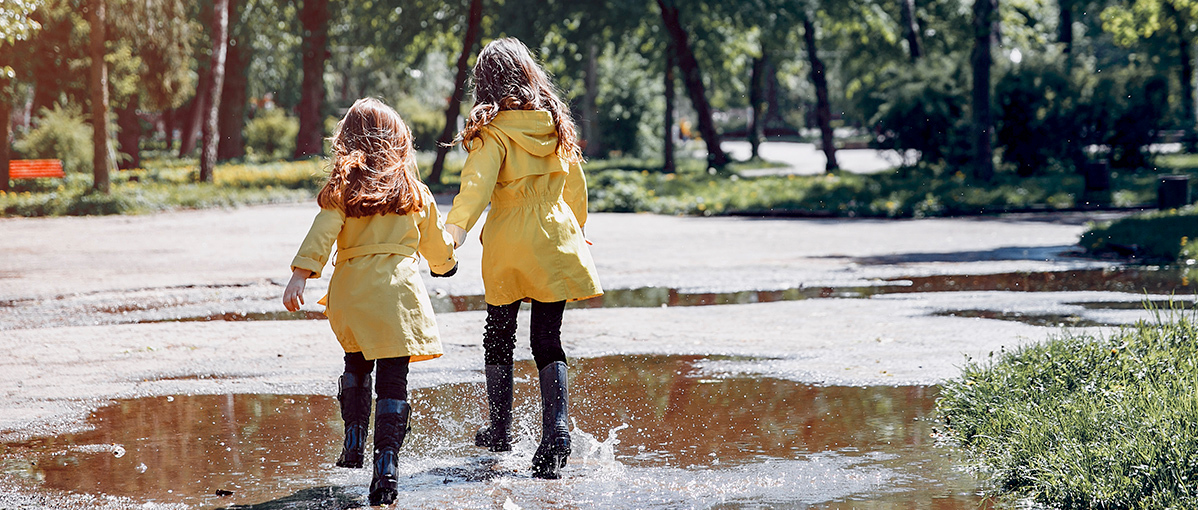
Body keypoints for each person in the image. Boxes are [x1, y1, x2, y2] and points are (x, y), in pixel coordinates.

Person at [282, 97, 457, 505]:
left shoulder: (342, 190)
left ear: (347, 141)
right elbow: (437, 248)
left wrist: (300, 275)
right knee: (394, 379)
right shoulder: (414, 191)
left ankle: (354, 440)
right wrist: (447, 263)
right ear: (399, 143)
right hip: (397, 298)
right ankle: (387, 467)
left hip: (353, 294)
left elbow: (321, 235)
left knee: (356, 361)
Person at [444, 37, 602, 480]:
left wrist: (453, 233)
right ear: (529, 74)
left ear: (485, 84)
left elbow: (475, 189)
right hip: (555, 238)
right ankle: (556, 430)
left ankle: (500, 430)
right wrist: (580, 229)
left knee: (499, 335)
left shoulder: (492, 132)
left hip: (510, 243)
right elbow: (574, 186)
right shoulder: (554, 123)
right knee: (547, 338)